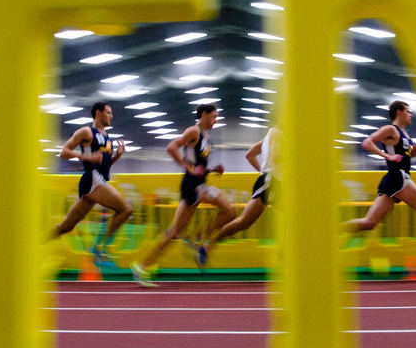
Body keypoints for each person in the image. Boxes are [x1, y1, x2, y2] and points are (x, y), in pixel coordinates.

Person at [131, 103, 236, 286]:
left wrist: (212, 169)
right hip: (191, 187)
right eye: (213, 116)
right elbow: (172, 147)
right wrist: (186, 166)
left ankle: (196, 240)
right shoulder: (193, 131)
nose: (215, 120)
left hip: (201, 185)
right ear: (203, 115)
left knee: (229, 211)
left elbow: (199, 163)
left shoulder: (207, 136)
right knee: (174, 232)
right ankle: (140, 266)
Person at [344, 100, 416, 269]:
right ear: (399, 112)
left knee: (369, 223)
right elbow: (367, 142)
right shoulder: (390, 129)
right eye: (408, 111)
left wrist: (415, 153)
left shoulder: (404, 134)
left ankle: (332, 229)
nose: (411, 114)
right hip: (399, 178)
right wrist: (387, 157)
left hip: (394, 180)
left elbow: (404, 155)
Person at [48, 101, 131, 268]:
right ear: (98, 113)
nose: (111, 116)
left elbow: (104, 167)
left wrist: (118, 156)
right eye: (108, 112)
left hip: (98, 180)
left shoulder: (107, 138)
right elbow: (64, 152)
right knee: (125, 210)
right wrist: (87, 158)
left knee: (66, 226)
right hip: (92, 179)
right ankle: (99, 249)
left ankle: (34, 244)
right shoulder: (87, 131)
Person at [194, 126, 281, 268]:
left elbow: (250, 154)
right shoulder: (279, 133)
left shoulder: (271, 134)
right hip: (271, 183)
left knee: (245, 223)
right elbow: (276, 156)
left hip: (272, 181)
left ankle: (207, 246)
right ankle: (208, 244)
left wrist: (263, 172)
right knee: (244, 222)